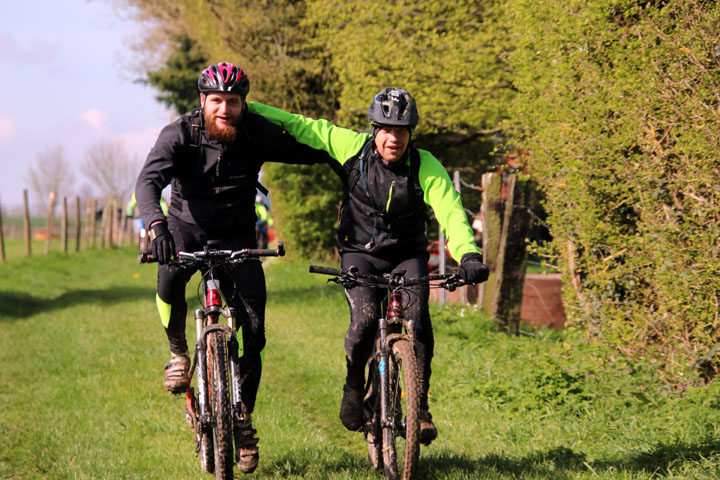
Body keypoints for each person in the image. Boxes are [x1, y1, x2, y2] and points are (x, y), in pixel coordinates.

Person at [247, 88, 489, 445]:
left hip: (407, 254)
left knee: (418, 319)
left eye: (403, 131)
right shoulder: (352, 149)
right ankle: (354, 385)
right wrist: (245, 105)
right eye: (387, 130)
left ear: (411, 133)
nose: (394, 138)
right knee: (362, 321)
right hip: (359, 251)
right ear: (374, 130)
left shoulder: (425, 165)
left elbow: (450, 211)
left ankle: (419, 406)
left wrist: (468, 255)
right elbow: (302, 126)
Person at [134, 62, 330, 473]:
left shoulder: (255, 132)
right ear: (203, 102)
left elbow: (308, 149)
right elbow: (148, 183)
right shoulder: (179, 134)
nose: (224, 108)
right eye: (217, 101)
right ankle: (178, 353)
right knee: (168, 275)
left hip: (237, 233)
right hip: (185, 226)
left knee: (254, 331)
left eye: (233, 101)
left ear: (243, 104)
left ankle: (243, 420)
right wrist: (156, 226)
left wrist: (350, 154)